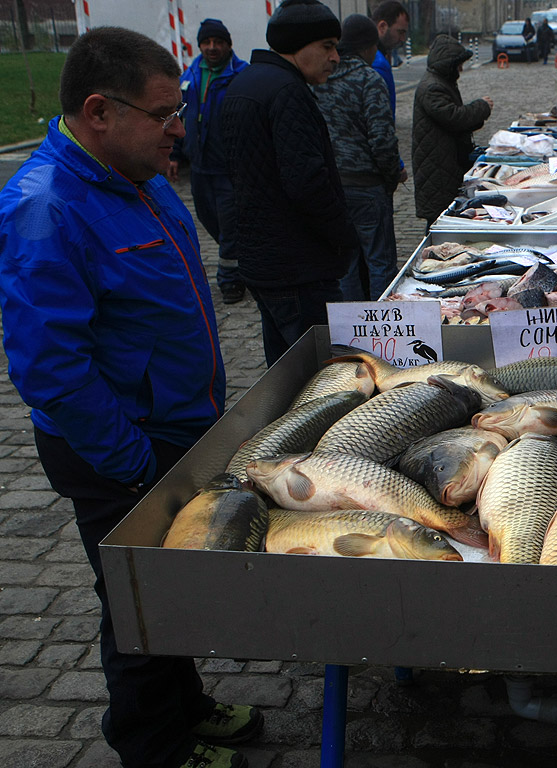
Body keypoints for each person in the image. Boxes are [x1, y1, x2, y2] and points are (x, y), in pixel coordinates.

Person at [0, 27, 261, 768]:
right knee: (136, 599)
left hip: (175, 427)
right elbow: (51, 369)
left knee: (169, 583)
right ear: (98, 111)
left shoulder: (139, 177)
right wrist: (136, 462)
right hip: (120, 446)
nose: (179, 125)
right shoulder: (45, 208)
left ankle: (186, 705)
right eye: (162, 112)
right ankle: (153, 745)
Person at [220, 0, 355, 366]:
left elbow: (221, 176)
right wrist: (343, 236)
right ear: (298, 44)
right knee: (320, 376)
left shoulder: (243, 83)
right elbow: (307, 182)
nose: (335, 57)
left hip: (264, 263)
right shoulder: (286, 91)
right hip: (298, 267)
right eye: (327, 46)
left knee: (284, 370)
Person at [316, 13, 401, 301]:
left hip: (332, 186)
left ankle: (351, 331)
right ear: (368, 47)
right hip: (367, 185)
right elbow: (382, 139)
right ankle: (383, 327)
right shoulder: (368, 79)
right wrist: (392, 176)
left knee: (347, 265)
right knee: (380, 262)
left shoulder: (320, 81)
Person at [168, 18, 248, 305]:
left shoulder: (241, 75)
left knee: (230, 225)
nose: (212, 48)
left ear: (228, 44)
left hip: (229, 168)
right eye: (206, 42)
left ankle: (230, 282)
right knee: (207, 219)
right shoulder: (190, 76)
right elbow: (178, 116)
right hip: (199, 167)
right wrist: (175, 155)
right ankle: (242, 260)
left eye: (217, 42)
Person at [412, 34, 493, 228]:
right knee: (440, 221)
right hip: (438, 169)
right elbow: (454, 117)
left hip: (444, 164)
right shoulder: (432, 87)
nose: (461, 69)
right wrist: (481, 107)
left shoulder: (441, 82)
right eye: (458, 65)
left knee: (446, 218)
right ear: (449, 64)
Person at [371, 1, 410, 185]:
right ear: (382, 26)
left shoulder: (376, 57)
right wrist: (397, 166)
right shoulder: (378, 64)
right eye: (400, 32)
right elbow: (383, 123)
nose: (402, 39)